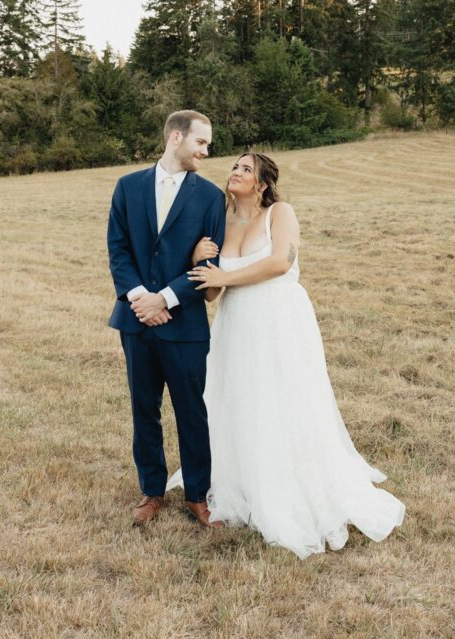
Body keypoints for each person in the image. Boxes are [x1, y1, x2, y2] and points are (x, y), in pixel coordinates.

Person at [167, 151, 406, 558]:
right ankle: (245, 479)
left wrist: (226, 274)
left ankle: (293, 485)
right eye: (234, 167)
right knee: (240, 399)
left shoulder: (281, 213)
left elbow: (280, 262)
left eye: (246, 169)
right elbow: (211, 292)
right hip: (236, 321)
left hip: (278, 317)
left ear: (261, 183)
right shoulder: (219, 224)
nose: (236, 172)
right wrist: (199, 261)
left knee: (285, 398)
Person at [107, 110, 226, 528]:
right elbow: (118, 251)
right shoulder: (127, 187)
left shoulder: (211, 198)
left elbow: (210, 266)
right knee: (144, 409)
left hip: (186, 326)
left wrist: (166, 299)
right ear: (177, 137)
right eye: (201, 143)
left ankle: (198, 494)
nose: (206, 152)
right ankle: (151, 491)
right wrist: (142, 299)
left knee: (192, 411)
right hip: (136, 321)